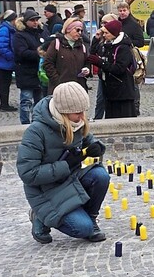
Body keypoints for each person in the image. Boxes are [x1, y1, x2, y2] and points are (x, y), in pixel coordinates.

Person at [17, 81, 109, 244]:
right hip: (46, 190)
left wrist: (97, 147)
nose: (82, 117)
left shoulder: (76, 123)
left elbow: (91, 142)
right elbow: (28, 174)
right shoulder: (36, 132)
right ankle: (40, 217)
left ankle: (91, 218)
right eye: (77, 113)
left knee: (100, 175)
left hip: (70, 180)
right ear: (63, 112)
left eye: (83, 112)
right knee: (82, 229)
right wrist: (65, 165)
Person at [86, 20, 137, 118]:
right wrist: (96, 39)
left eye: (106, 33)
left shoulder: (123, 48)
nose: (104, 35)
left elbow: (119, 68)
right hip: (110, 91)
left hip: (123, 92)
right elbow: (93, 53)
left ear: (114, 34)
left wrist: (100, 63)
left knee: (123, 123)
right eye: (103, 32)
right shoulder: (107, 45)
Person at [13, 10, 48, 125]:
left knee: (40, 100)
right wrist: (38, 53)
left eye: (37, 20)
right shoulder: (19, 35)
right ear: (25, 22)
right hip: (26, 72)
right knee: (26, 100)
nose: (35, 22)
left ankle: (37, 122)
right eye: (32, 20)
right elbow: (21, 52)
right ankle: (25, 123)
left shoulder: (42, 32)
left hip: (40, 72)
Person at [43, 17, 89, 95]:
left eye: (81, 30)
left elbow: (87, 62)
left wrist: (87, 69)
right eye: (77, 30)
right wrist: (57, 81)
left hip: (78, 89)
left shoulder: (82, 46)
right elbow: (48, 64)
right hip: (60, 89)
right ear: (68, 29)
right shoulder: (56, 44)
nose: (80, 33)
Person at [90, 13, 118, 120]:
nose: (103, 26)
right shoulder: (102, 38)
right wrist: (96, 39)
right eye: (102, 23)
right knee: (100, 99)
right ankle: (97, 120)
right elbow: (93, 52)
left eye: (105, 23)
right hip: (103, 74)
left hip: (113, 74)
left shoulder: (116, 37)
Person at [0, 10, 18, 111]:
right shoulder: (5, 29)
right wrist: (11, 56)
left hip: (4, 62)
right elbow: (1, 46)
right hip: (3, 62)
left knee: (5, 84)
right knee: (4, 84)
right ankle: (4, 105)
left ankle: (5, 104)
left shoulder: (7, 28)